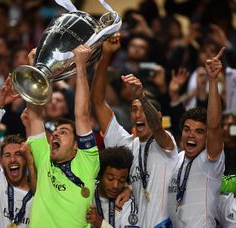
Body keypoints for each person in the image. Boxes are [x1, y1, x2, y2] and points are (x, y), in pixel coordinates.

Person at [91, 33, 178, 227]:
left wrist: (142, 98)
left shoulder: (166, 142)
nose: (139, 115)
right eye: (134, 110)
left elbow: (156, 125)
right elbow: (97, 102)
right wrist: (106, 55)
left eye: (144, 111)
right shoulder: (126, 144)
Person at [26, 44, 99, 227]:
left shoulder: (87, 161)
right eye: (55, 132)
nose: (55, 135)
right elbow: (34, 116)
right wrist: (37, 70)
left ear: (77, 145)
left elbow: (82, 115)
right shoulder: (44, 158)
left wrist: (81, 68)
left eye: (64, 132)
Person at [167, 47, 226, 227]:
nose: (191, 135)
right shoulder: (177, 158)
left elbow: (214, 125)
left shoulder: (211, 161)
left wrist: (213, 80)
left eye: (199, 131)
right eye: (187, 129)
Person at [0, 75, 36, 227]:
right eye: (7, 155)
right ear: (0, 160)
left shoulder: (39, 193)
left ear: (26, 159)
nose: (12, 160)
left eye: (18, 154)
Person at [86, 146, 139, 227]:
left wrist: (100, 223)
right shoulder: (87, 192)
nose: (115, 186)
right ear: (100, 175)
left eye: (121, 181)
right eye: (110, 179)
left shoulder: (128, 203)